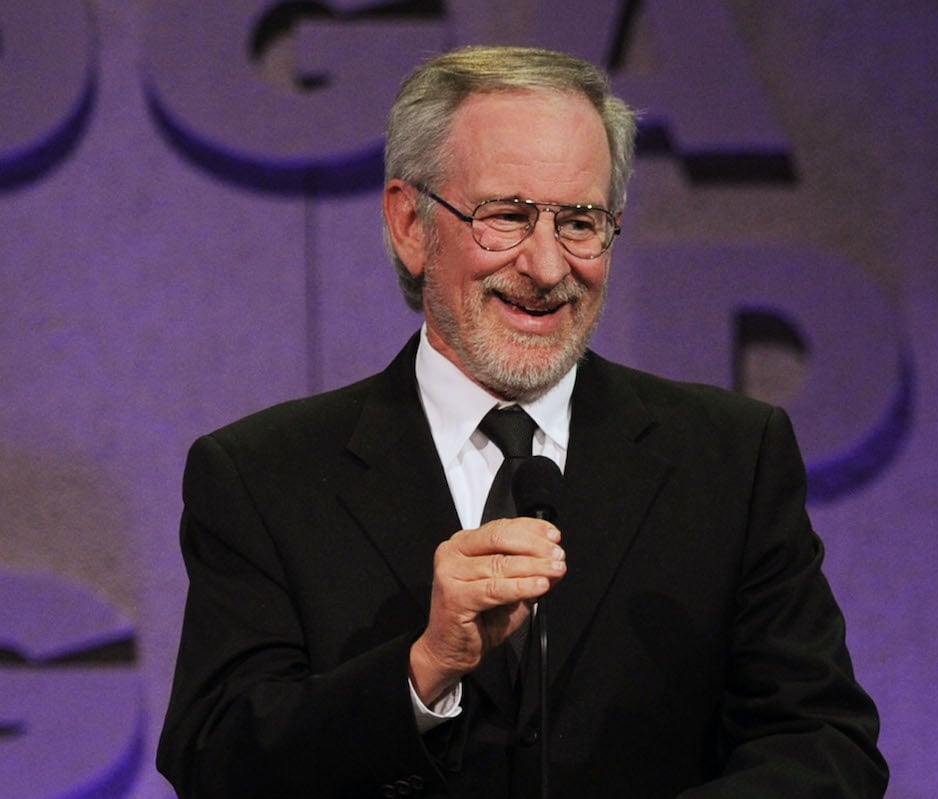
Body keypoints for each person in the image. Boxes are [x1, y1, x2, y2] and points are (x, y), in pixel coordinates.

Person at [156, 45, 888, 798]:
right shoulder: (263, 476)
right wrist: (423, 669)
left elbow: (822, 745)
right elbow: (219, 762)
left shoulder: (731, 459)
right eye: (506, 216)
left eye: (580, 222)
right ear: (411, 224)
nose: (546, 266)